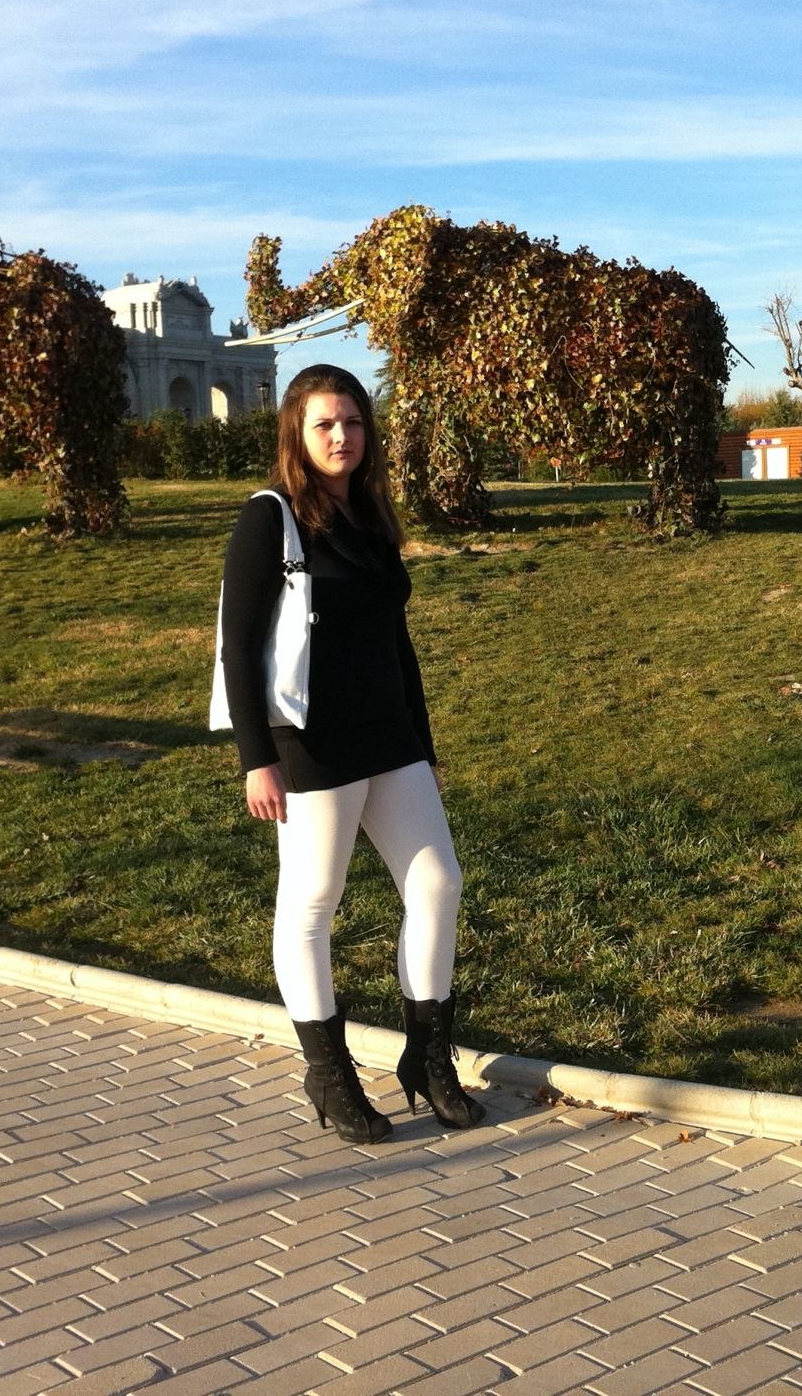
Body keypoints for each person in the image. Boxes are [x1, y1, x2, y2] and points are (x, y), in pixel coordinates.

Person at [219, 363, 484, 1144]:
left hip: (388, 735)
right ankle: (329, 1075)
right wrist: (256, 758)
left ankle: (427, 1059)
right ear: (297, 435)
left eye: (354, 421)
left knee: (437, 882)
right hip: (310, 740)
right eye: (325, 424)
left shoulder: (368, 515)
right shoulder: (270, 518)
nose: (342, 436)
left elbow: (396, 642)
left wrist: (424, 746)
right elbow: (238, 646)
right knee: (313, 902)